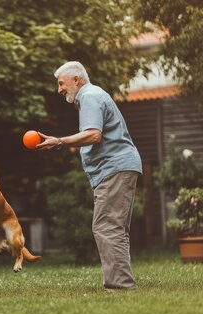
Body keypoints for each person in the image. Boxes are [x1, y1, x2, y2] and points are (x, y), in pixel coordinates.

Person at [36, 61, 142, 291]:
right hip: (119, 167)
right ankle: (122, 282)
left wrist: (59, 141)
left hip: (115, 168)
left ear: (77, 80)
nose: (59, 89)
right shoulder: (92, 96)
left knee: (106, 226)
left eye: (61, 83)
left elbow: (93, 135)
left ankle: (120, 285)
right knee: (114, 226)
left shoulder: (90, 96)